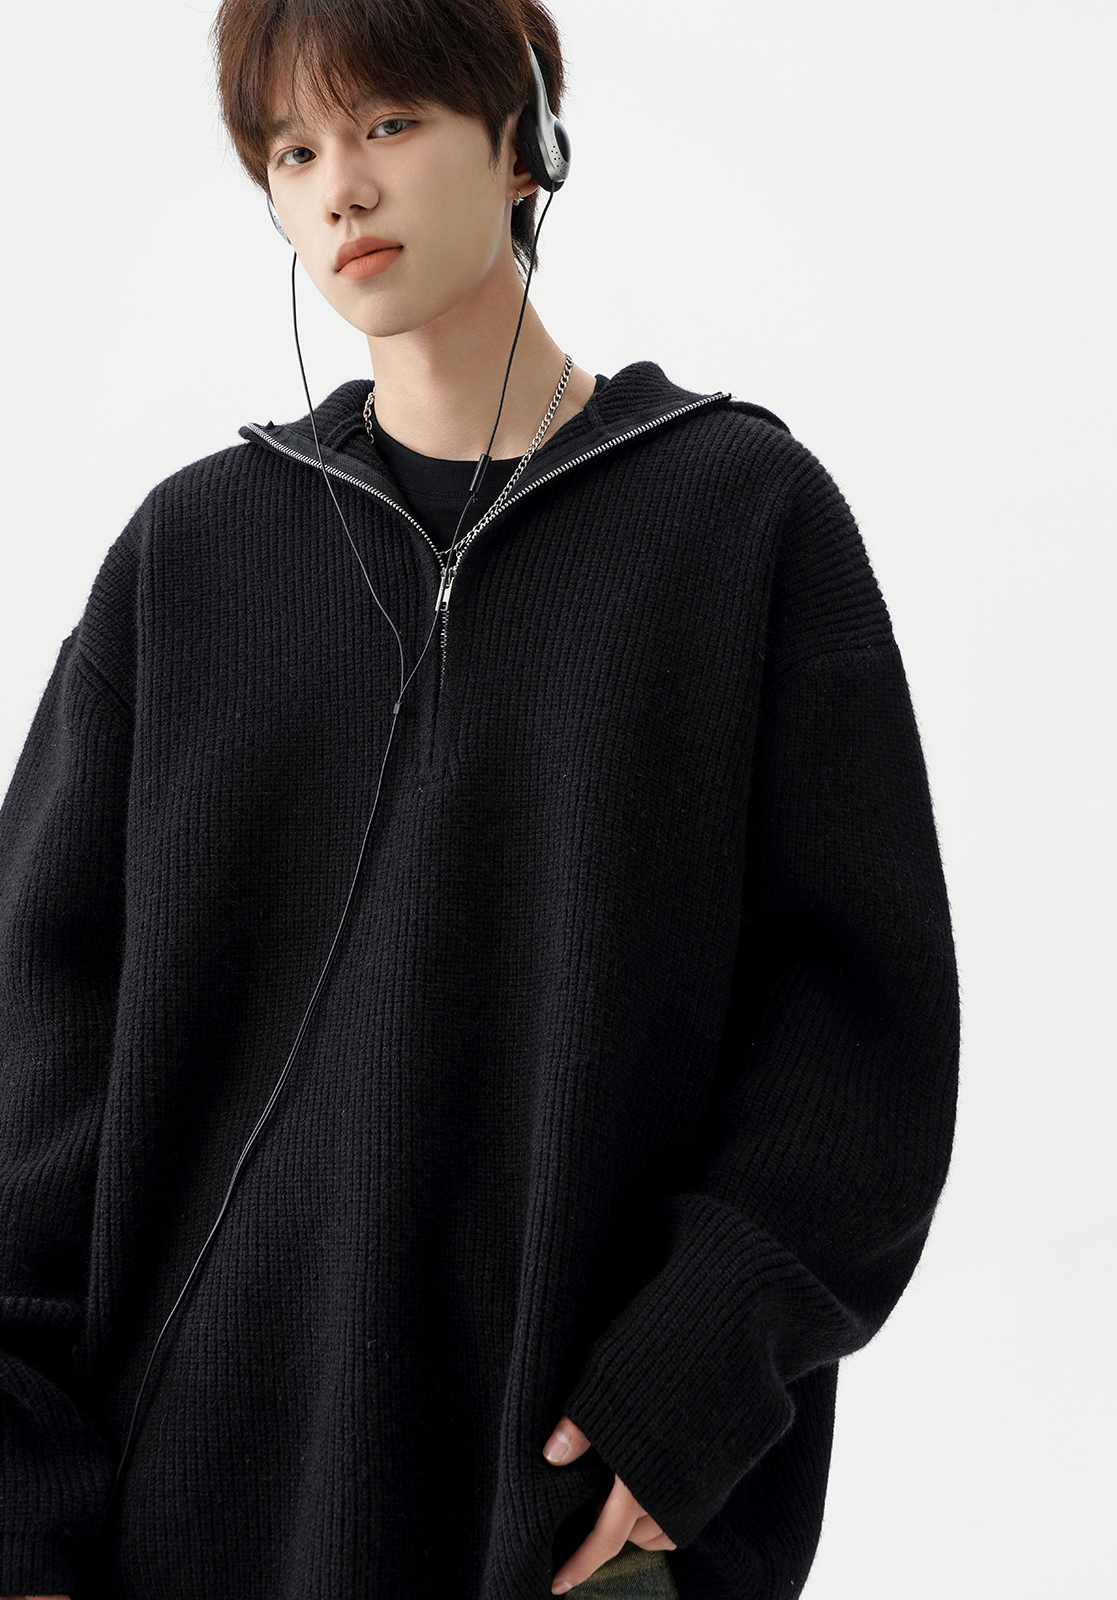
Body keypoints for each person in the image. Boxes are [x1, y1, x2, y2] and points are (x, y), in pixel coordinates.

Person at [0, 1, 960, 1597]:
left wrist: (695, 1376)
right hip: (199, 1517)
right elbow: (35, 1051)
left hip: (572, 1519)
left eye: (389, 124)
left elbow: (861, 1043)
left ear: (527, 142)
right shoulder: (189, 560)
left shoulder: (738, 521)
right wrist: (17, 1498)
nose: (341, 189)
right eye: (293, 151)